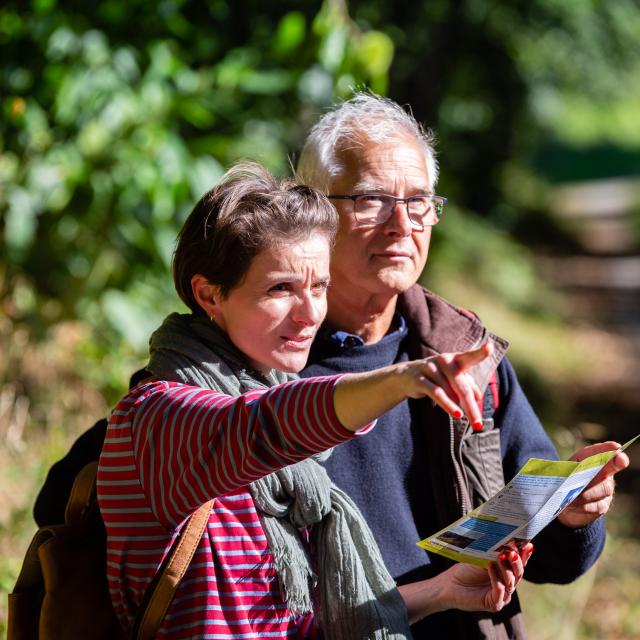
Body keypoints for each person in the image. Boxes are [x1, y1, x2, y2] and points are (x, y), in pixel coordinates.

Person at [97, 162, 531, 639]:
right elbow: (266, 427)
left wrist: (442, 590)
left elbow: (299, 627)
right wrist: (401, 379)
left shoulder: (289, 460)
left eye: (319, 286)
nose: (309, 313)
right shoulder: (159, 415)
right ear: (209, 294)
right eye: (280, 288)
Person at [295, 93, 630, 639]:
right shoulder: (264, 368)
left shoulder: (463, 354)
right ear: (310, 208)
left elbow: (553, 561)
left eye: (419, 200)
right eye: (372, 199)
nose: (401, 223)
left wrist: (572, 512)